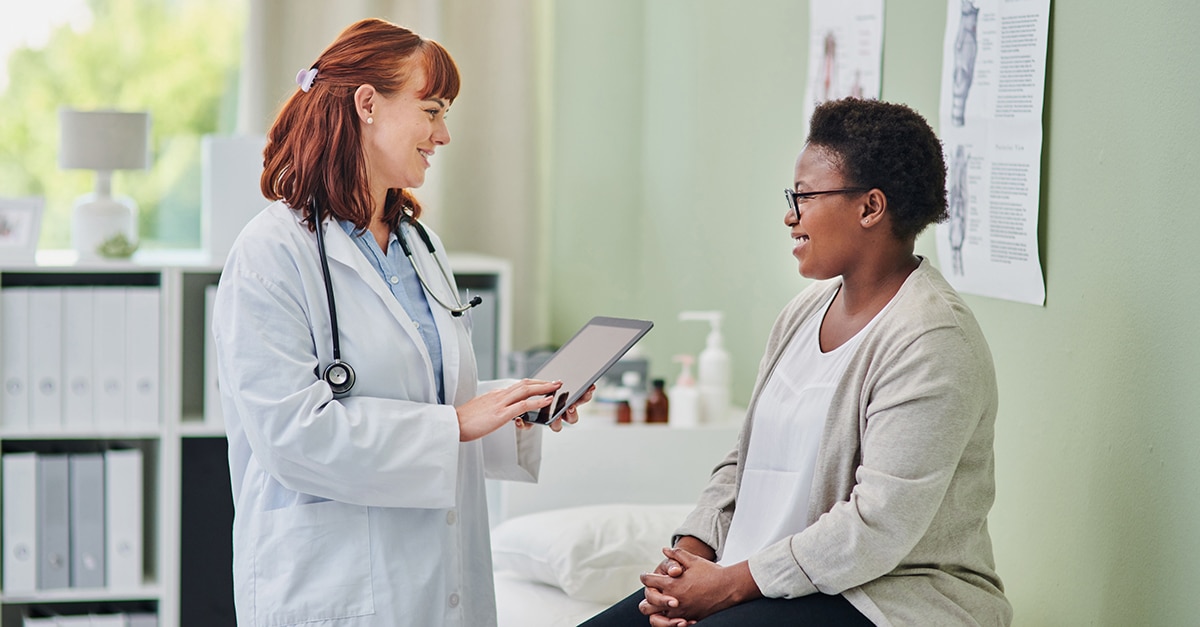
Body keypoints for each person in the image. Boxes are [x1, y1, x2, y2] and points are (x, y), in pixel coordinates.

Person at [212, 18, 587, 627]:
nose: (443, 135)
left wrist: (516, 407)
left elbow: (433, 402)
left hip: (438, 578)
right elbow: (291, 436)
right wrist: (455, 425)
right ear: (367, 104)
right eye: (432, 110)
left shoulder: (420, 245)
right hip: (332, 583)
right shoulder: (273, 251)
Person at [581, 98, 1011, 626]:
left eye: (804, 196)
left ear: (870, 208)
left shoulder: (932, 339)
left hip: (883, 597)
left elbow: (876, 526)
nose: (790, 215)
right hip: (766, 577)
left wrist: (727, 587)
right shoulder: (803, 313)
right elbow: (744, 459)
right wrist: (689, 564)